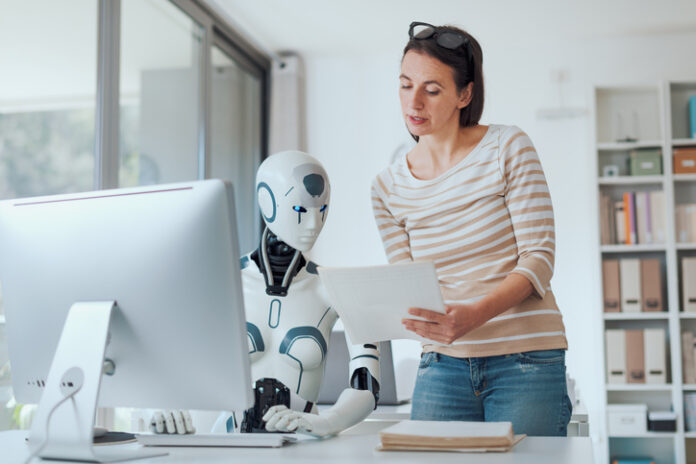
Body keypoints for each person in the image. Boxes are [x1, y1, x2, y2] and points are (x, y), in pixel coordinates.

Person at [370, 22, 571, 436]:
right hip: (442, 363)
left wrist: (475, 315)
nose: (414, 102)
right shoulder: (386, 188)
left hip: (525, 359)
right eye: (406, 85)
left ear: (465, 94)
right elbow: (410, 285)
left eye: (432, 89)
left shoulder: (507, 147)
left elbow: (539, 258)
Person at [151, 150, 380, 437]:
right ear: (266, 201)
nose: (313, 224)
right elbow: (165, 357)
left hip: (305, 443)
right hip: (231, 441)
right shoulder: (220, 282)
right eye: (300, 210)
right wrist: (161, 405)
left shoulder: (339, 288)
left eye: (321, 211)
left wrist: (327, 423)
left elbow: (368, 387)